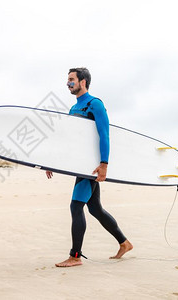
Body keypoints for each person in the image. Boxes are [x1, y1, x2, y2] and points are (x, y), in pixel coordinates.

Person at [46, 67, 133, 267]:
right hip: (80, 166)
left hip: (91, 167)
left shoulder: (95, 105)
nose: (67, 83)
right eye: (67, 80)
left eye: (71, 79)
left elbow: (105, 134)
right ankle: (125, 243)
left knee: (76, 206)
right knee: (95, 209)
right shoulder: (73, 108)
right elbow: (71, 141)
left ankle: (75, 256)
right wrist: (53, 162)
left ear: (82, 81)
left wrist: (104, 164)